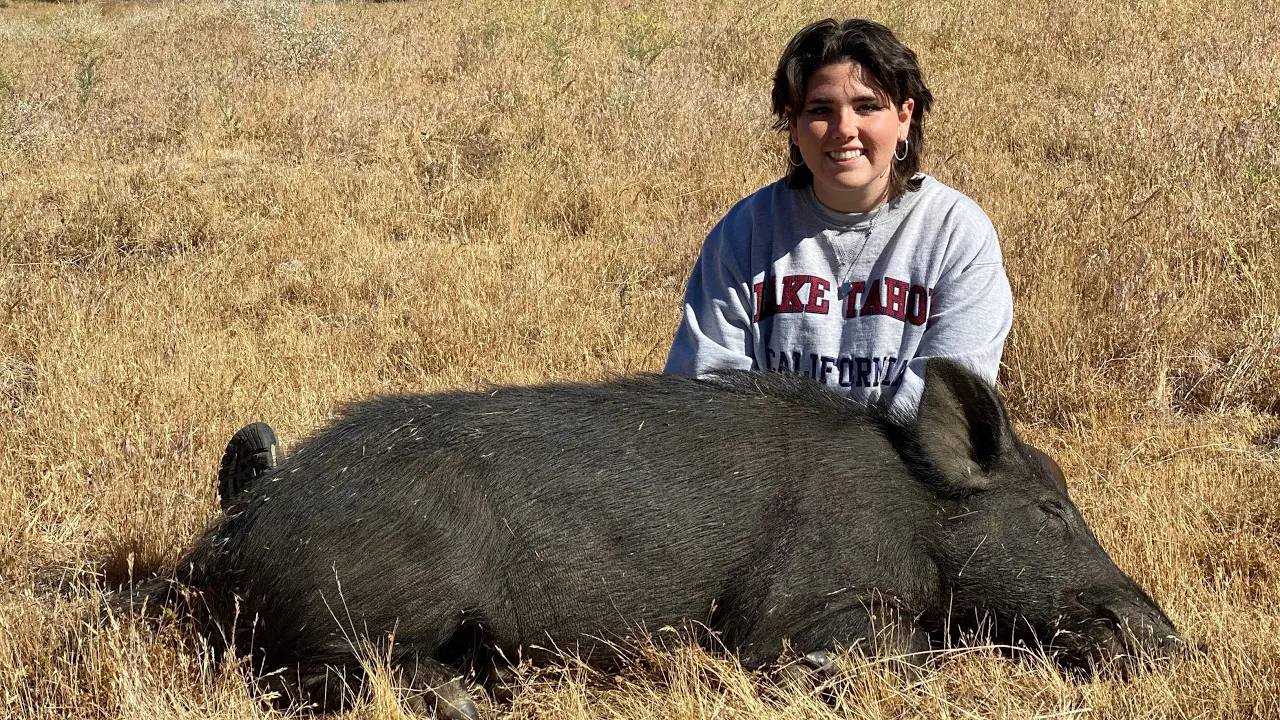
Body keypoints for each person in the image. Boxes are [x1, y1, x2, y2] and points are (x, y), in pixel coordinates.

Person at [664, 18, 1012, 419]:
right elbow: (708, 396)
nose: (844, 129)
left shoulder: (955, 233)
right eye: (821, 110)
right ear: (793, 125)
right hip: (767, 456)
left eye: (867, 107)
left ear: (904, 117)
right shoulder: (744, 232)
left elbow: (945, 412)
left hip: (907, 457)